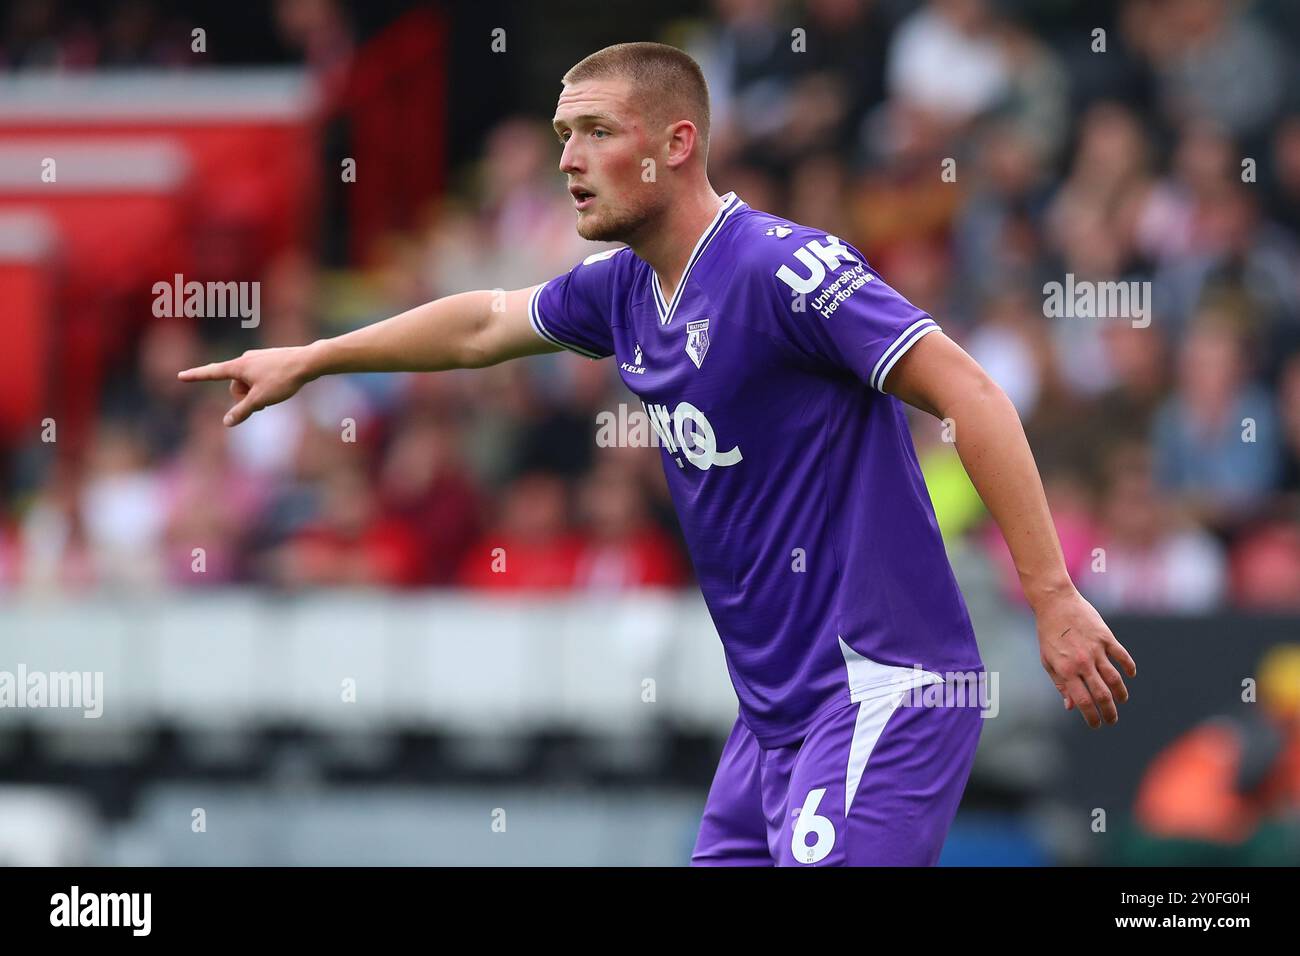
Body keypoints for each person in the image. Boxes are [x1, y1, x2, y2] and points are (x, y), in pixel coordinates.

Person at [179, 42, 1136, 866]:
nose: (570, 159)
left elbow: (969, 390)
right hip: (770, 720)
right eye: (562, 136)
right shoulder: (624, 292)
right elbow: (481, 324)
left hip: (881, 686)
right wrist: (316, 356)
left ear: (676, 144)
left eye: (596, 131)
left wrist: (1051, 596)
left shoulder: (782, 269)